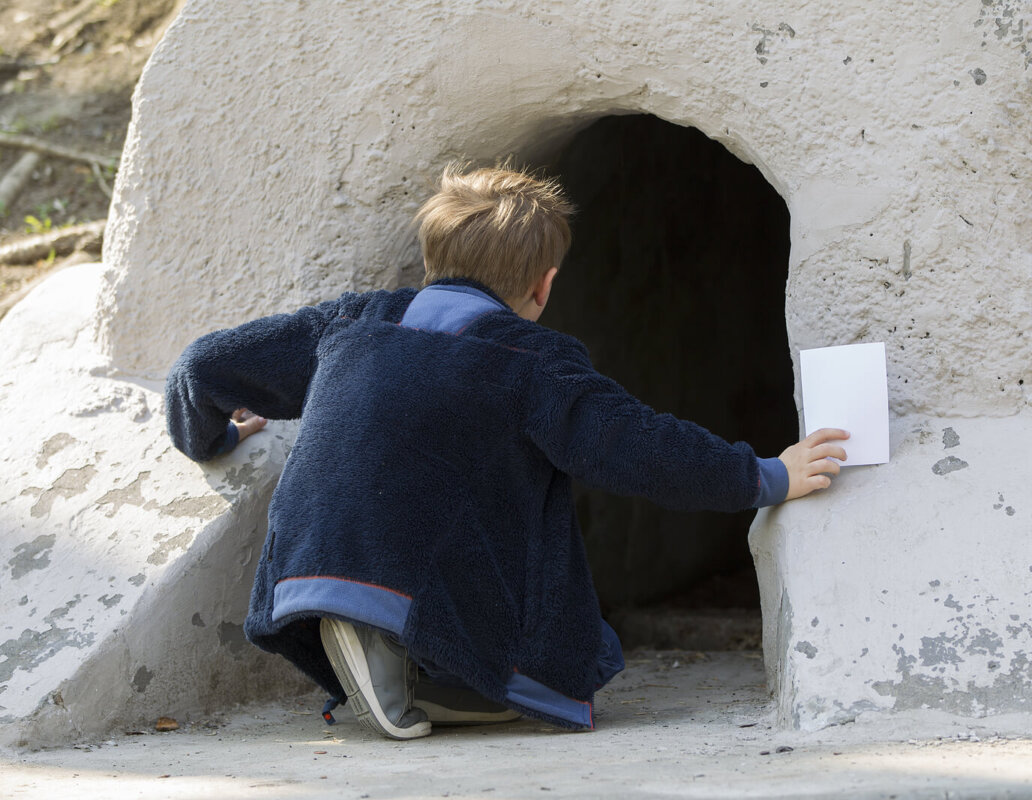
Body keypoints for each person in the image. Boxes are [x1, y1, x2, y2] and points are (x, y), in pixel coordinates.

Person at [165, 163, 849, 741]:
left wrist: (215, 439)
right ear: (545, 285)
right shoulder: (534, 360)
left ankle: (388, 650)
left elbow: (202, 363)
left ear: (434, 256)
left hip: (298, 575)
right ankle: (410, 660)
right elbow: (638, 446)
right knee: (576, 667)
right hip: (410, 579)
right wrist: (765, 476)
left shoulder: (353, 318)